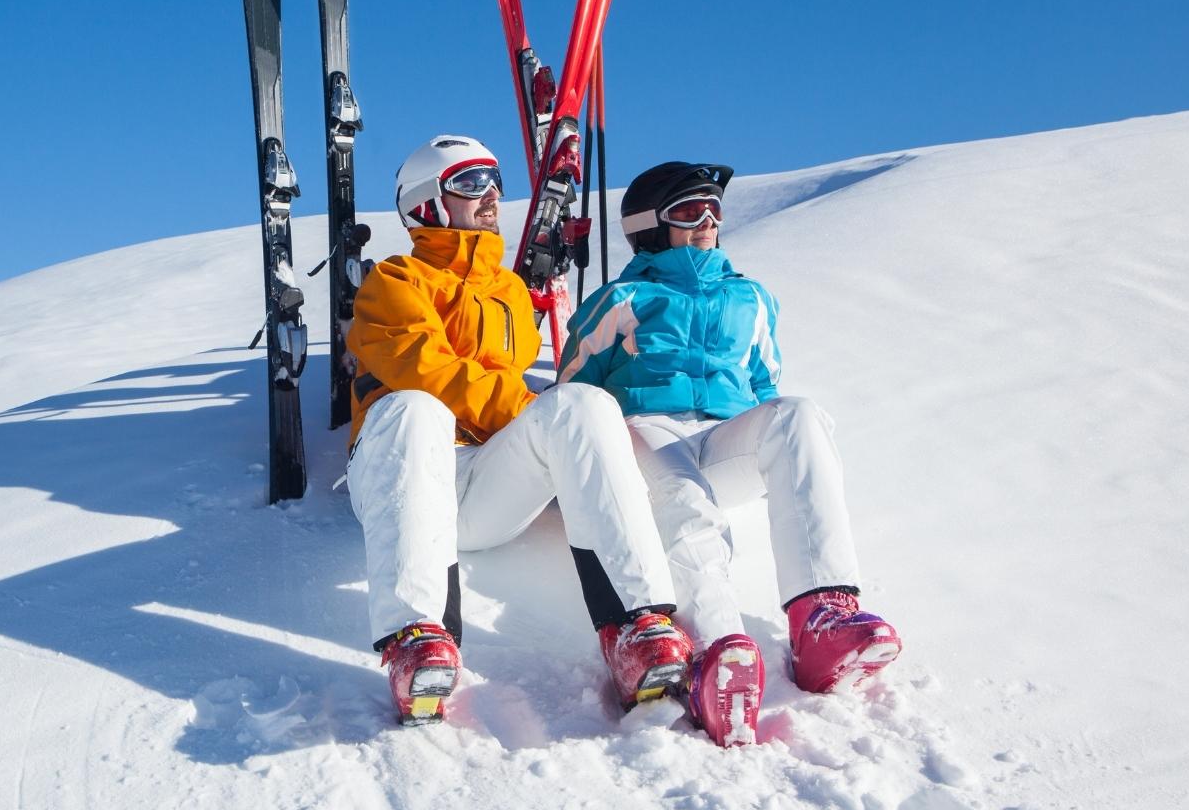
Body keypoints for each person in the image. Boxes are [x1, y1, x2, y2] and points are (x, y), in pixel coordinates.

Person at [345, 135, 691, 725]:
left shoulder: (507, 291)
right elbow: (432, 374)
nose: (492, 195)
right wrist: (528, 412)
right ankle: (417, 638)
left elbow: (525, 399)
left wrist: (557, 430)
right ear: (428, 203)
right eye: (471, 183)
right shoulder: (395, 281)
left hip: (482, 485)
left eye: (494, 181)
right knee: (417, 408)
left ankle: (637, 626)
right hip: (402, 477)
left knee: (580, 403)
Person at [559, 161, 902, 747]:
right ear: (648, 226)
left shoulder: (751, 297)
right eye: (690, 211)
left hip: (723, 435)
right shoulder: (622, 297)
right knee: (684, 498)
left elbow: (765, 385)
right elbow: (573, 390)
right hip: (647, 428)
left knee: (798, 415)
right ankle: (718, 650)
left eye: (715, 210)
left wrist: (769, 435)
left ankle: (823, 619)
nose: (708, 221)